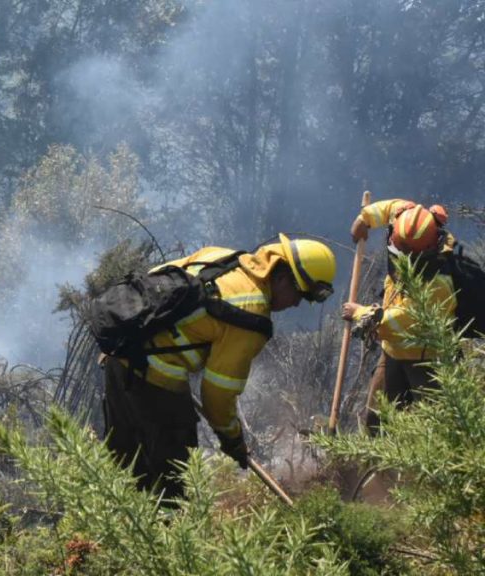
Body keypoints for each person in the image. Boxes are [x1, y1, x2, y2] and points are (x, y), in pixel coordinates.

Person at [104, 234, 336, 498]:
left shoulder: (224, 257)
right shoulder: (251, 316)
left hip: (119, 354)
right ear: (283, 278)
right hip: (155, 381)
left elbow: (156, 278)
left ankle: (113, 519)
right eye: (300, 295)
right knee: (175, 480)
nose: (296, 304)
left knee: (122, 463)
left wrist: (129, 339)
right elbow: (217, 395)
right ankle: (167, 521)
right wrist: (232, 440)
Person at [344, 200, 456, 433]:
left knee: (434, 427)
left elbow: (400, 321)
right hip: (392, 353)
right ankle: (372, 453)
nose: (399, 262)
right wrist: (365, 218)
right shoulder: (410, 219)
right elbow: (390, 207)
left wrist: (360, 313)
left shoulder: (439, 283)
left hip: (427, 360)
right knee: (376, 418)